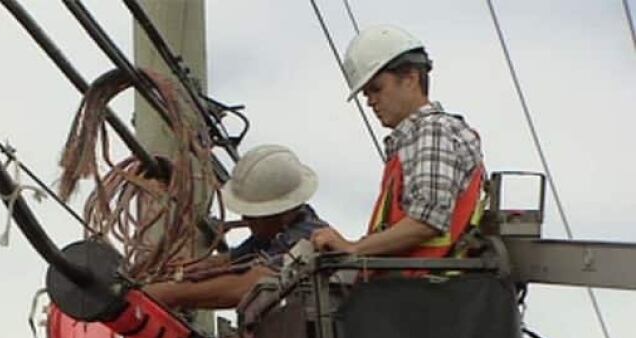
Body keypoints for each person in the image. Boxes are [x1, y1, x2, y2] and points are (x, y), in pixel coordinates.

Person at [311, 25, 485, 259]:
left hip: (426, 289)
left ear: (410, 79)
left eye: (377, 89)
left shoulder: (433, 130)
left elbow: (427, 221)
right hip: (412, 287)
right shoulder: (411, 142)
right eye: (366, 94)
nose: (371, 102)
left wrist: (353, 248)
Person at [145, 144, 327, 309]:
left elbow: (252, 284)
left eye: (253, 215)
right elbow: (233, 260)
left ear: (281, 212)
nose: (245, 219)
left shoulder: (308, 237)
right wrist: (184, 271)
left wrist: (167, 294)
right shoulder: (276, 233)